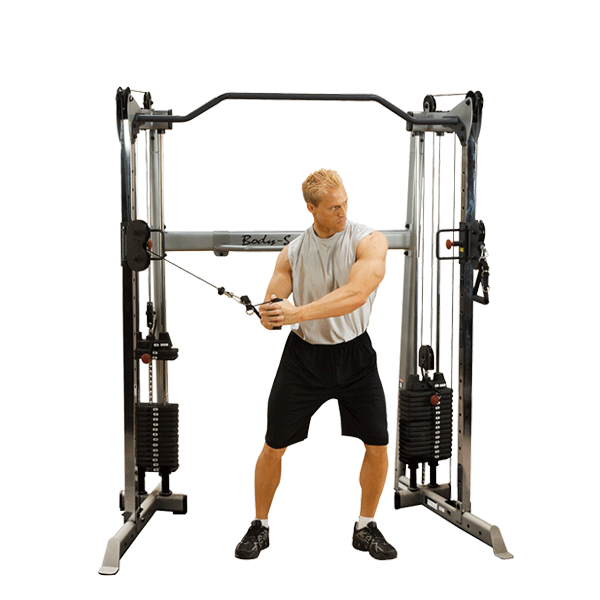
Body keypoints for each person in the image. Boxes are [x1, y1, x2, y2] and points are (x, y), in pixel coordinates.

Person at [235, 169, 396, 561]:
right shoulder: (292, 252)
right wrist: (270, 314)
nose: (343, 212)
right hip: (303, 359)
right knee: (274, 444)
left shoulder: (368, 240)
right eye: (333, 207)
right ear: (311, 209)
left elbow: (357, 293)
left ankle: (366, 526)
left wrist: (298, 313)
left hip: (355, 356)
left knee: (377, 443)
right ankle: (260, 525)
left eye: (345, 203)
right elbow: (274, 305)